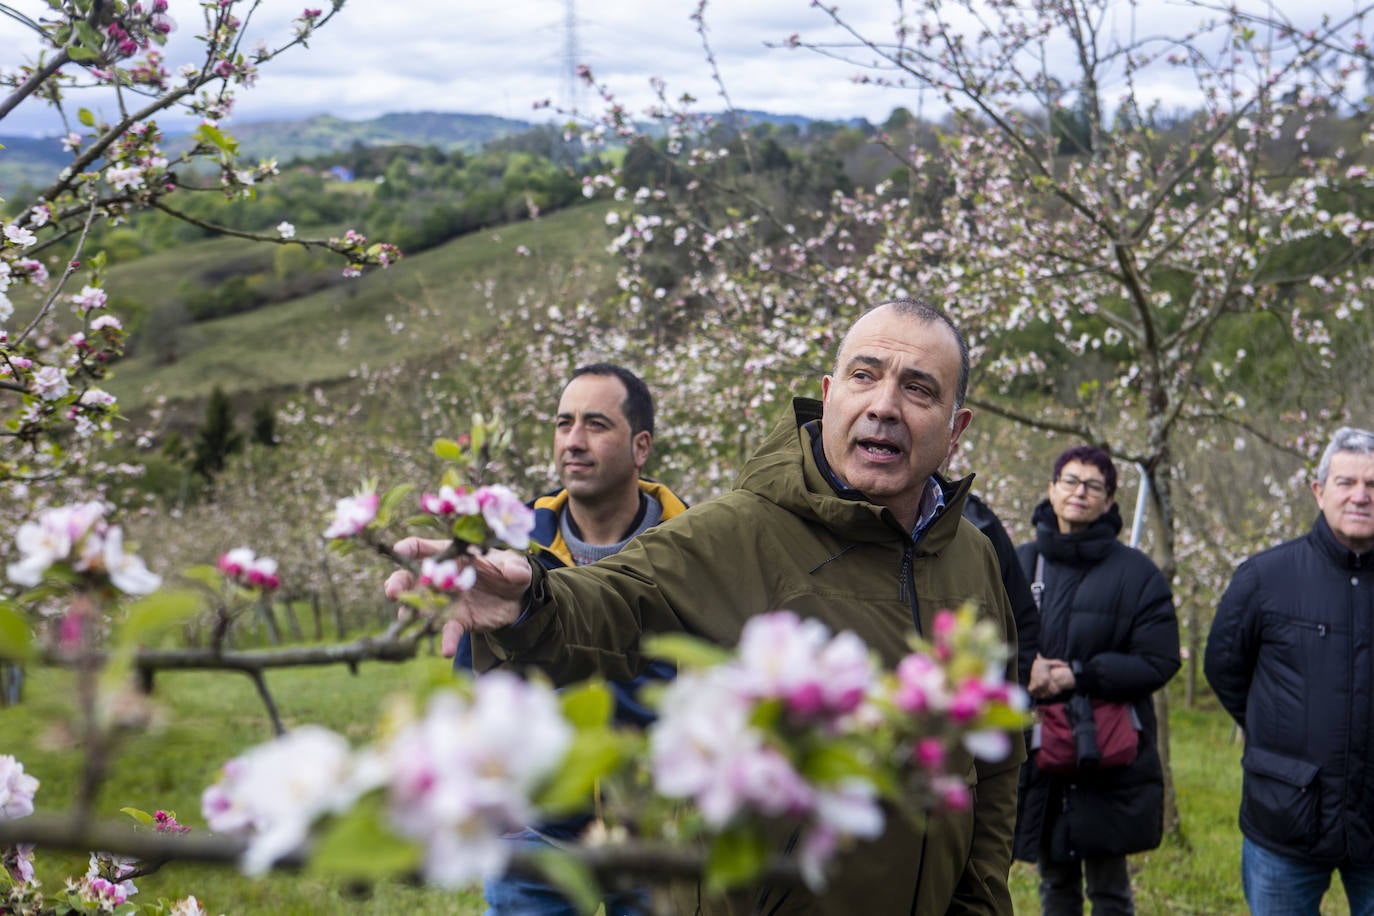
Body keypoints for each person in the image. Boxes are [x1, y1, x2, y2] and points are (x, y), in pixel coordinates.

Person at [388, 298, 1024, 914]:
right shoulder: (735, 531)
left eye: (918, 389)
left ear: (956, 428)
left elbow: (991, 760)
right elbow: (613, 601)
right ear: (830, 396)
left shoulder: (973, 555)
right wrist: (528, 602)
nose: (883, 406)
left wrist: (981, 902)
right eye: (865, 376)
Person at [458, 363, 688, 916]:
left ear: (641, 447)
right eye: (564, 424)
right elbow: (473, 685)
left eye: (596, 424)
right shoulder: (513, 551)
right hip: (538, 835)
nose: (574, 442)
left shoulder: (691, 551)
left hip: (656, 834)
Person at [1204, 426, 1374, 916]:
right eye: (1346, 482)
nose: (1360, 496)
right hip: (1286, 814)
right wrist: (1275, 726)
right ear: (1319, 491)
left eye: (1372, 484)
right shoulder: (1265, 578)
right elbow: (1225, 668)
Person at [1012, 445, 1180, 916]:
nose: (1079, 492)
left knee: (1109, 889)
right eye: (1070, 481)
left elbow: (1159, 660)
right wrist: (1027, 672)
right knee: (1054, 883)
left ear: (1110, 501)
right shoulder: (1020, 565)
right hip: (1040, 752)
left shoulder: (1137, 574)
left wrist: (1078, 675)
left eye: (1093, 486)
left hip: (1108, 755)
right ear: (1051, 488)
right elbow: (990, 644)